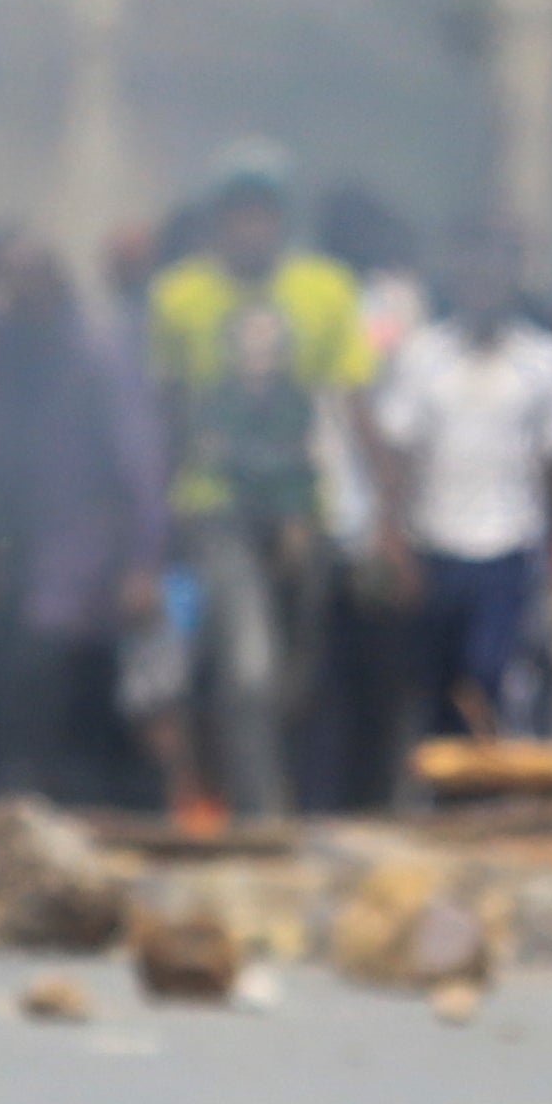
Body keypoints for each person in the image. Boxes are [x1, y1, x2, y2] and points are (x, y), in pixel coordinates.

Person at [143, 149, 372, 824]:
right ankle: (258, 816)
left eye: (262, 214)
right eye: (237, 215)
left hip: (302, 506)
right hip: (217, 504)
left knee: (297, 677)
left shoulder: (325, 291)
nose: (251, 229)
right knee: (248, 668)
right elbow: (166, 413)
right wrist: (157, 523)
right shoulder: (180, 296)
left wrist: (383, 513)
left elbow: (349, 403)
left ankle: (285, 800)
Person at [0, 229, 164, 805]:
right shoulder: (3, 345)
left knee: (63, 679)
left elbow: (137, 462)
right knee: (18, 683)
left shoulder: (97, 353)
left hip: (84, 548)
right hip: (18, 543)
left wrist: (143, 561)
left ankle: (76, 805)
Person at [370, 237, 552, 743]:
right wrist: (392, 539)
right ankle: (444, 803)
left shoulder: (545, 361)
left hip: (510, 547)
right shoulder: (422, 356)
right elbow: (399, 457)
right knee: (434, 684)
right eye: (471, 277)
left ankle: (493, 791)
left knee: (492, 674)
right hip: (436, 546)